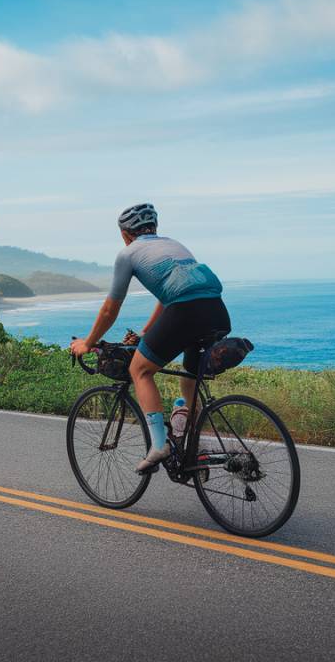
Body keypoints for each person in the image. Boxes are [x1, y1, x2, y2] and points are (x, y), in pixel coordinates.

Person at [70, 203, 231, 473]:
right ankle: (191, 445)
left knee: (140, 370)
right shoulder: (174, 245)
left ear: (125, 234)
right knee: (190, 377)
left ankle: (160, 445)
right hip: (216, 310)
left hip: (185, 311)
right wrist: (146, 332)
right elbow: (169, 295)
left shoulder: (128, 254)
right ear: (154, 228)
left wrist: (87, 343)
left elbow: (110, 309)